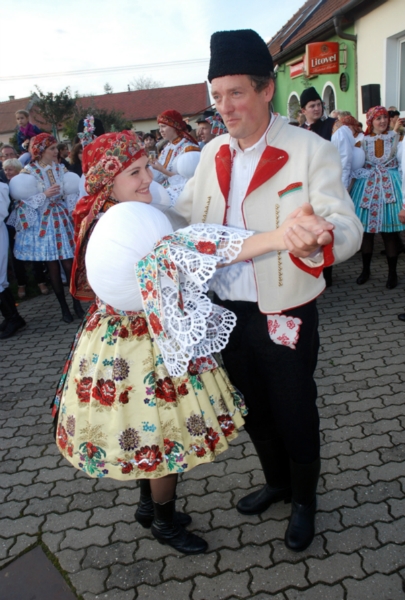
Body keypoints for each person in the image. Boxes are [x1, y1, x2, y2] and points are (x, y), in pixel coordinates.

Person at [52, 130, 334, 556]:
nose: (148, 178)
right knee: (160, 433)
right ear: (107, 182)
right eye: (135, 172)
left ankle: (149, 507)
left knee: (145, 428)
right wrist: (281, 237)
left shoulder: (104, 215)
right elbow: (207, 246)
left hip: (118, 336)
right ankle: (163, 522)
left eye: (146, 167)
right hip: (141, 344)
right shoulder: (130, 226)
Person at [175, 29, 363, 553]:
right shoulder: (212, 151)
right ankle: (277, 483)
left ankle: (304, 501)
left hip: (285, 309)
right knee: (252, 405)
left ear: (266, 89)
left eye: (236, 93)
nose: (224, 107)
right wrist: (134, 208)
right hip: (225, 310)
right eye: (217, 95)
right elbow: (183, 215)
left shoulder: (310, 149)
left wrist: (320, 236)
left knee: (294, 407)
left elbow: (346, 225)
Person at [8, 133, 83, 322]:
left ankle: (77, 304)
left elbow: (70, 192)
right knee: (52, 266)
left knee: (69, 263)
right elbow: (22, 200)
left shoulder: (59, 167)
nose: (56, 151)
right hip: (44, 221)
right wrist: (44, 194)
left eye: (56, 148)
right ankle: (64, 308)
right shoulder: (29, 171)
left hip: (61, 218)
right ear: (40, 150)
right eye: (52, 148)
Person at [350, 106, 405, 289]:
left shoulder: (398, 138)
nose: (382, 121)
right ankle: (365, 270)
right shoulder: (362, 141)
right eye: (378, 118)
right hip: (368, 187)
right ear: (370, 121)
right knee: (367, 234)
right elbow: (355, 165)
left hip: (390, 186)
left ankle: (392, 273)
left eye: (385, 117)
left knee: (390, 234)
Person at [299, 87, 340, 287]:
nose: (316, 108)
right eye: (312, 106)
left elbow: (342, 159)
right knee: (308, 227)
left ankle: (327, 272)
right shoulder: (298, 131)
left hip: (325, 184)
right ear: (303, 110)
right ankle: (311, 268)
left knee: (324, 226)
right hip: (305, 186)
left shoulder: (332, 126)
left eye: (318, 105)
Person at [151, 110, 200, 205]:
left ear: (174, 127)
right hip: (167, 192)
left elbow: (191, 181)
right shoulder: (167, 148)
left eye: (163, 126)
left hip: (184, 198)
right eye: (159, 127)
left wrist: (162, 170)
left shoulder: (189, 148)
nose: (160, 130)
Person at [0, 182, 26, 339]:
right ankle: (12, 317)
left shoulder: (1, 187)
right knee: (1, 282)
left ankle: (13, 318)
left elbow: (1, 212)